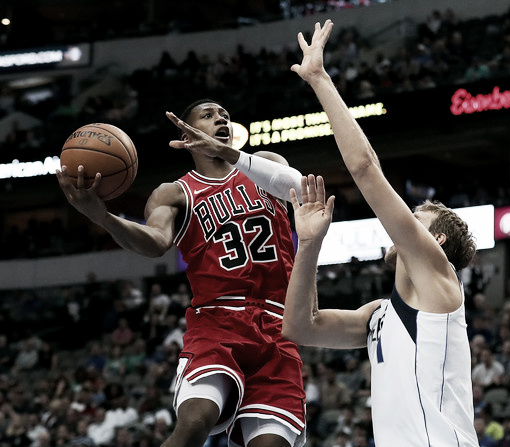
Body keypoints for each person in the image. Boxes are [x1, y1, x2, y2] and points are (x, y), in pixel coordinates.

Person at [57, 98, 306, 447]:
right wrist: (102, 217)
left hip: (279, 326)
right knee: (195, 423)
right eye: (208, 115)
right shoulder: (174, 193)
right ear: (186, 135)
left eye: (225, 116)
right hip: (218, 321)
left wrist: (232, 154)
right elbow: (156, 241)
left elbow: (295, 184)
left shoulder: (264, 164)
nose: (220, 118)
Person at [282, 20, 478, 447]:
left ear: (437, 242)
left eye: (417, 218)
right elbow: (299, 327)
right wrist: (310, 244)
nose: (403, 221)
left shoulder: (439, 281)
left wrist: (318, 78)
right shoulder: (379, 314)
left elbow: (365, 169)